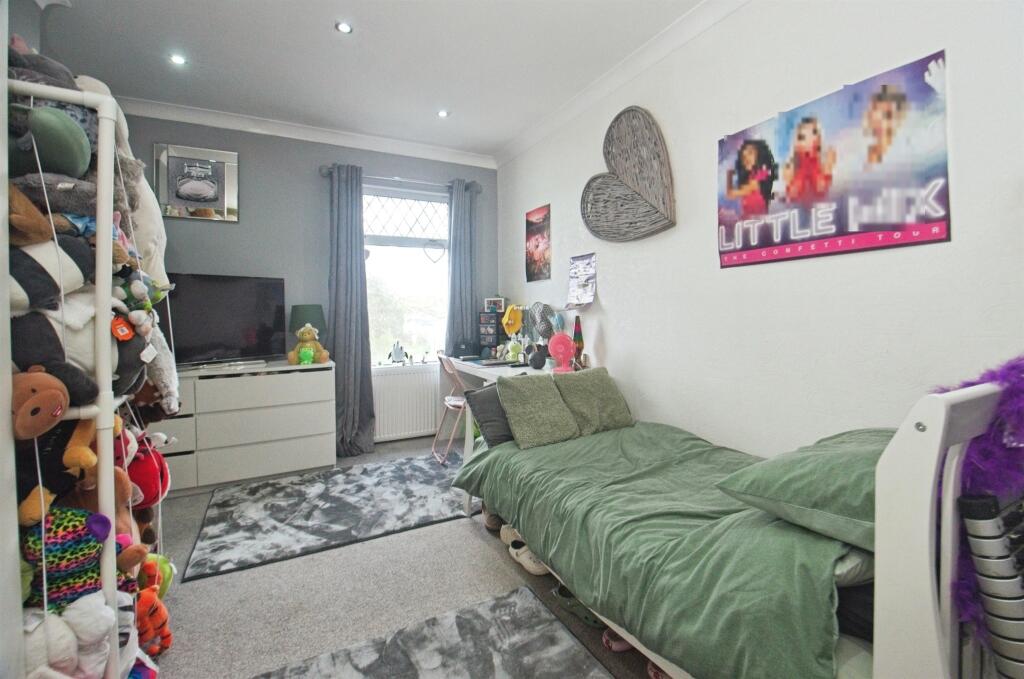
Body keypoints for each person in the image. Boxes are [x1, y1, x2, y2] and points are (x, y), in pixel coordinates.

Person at [782, 117, 835, 205]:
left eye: (814, 133)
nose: (809, 140)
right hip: (799, 190)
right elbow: (793, 190)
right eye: (802, 137)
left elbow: (821, 188)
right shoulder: (796, 162)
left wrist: (828, 166)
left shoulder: (819, 159)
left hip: (816, 180)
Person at [726, 139, 778, 217]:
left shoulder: (761, 174)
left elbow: (731, 194)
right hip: (749, 220)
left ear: (759, 154)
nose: (746, 158)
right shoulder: (750, 176)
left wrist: (729, 174)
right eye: (743, 157)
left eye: (750, 153)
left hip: (759, 220)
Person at [863, 84, 908, 167]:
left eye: (887, 115)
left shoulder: (903, 155)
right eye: (875, 111)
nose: (878, 120)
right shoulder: (860, 150)